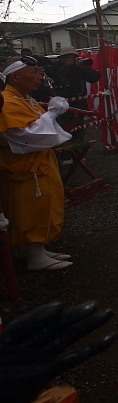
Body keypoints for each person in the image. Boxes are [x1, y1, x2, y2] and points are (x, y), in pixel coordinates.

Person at [0, 56, 73, 270]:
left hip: (39, 163)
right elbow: (26, 137)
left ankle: (39, 249)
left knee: (45, 205)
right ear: (16, 76)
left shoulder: (25, 99)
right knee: (30, 209)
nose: (40, 78)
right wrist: (51, 113)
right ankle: (34, 255)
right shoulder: (8, 101)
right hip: (26, 167)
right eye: (34, 73)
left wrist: (50, 116)